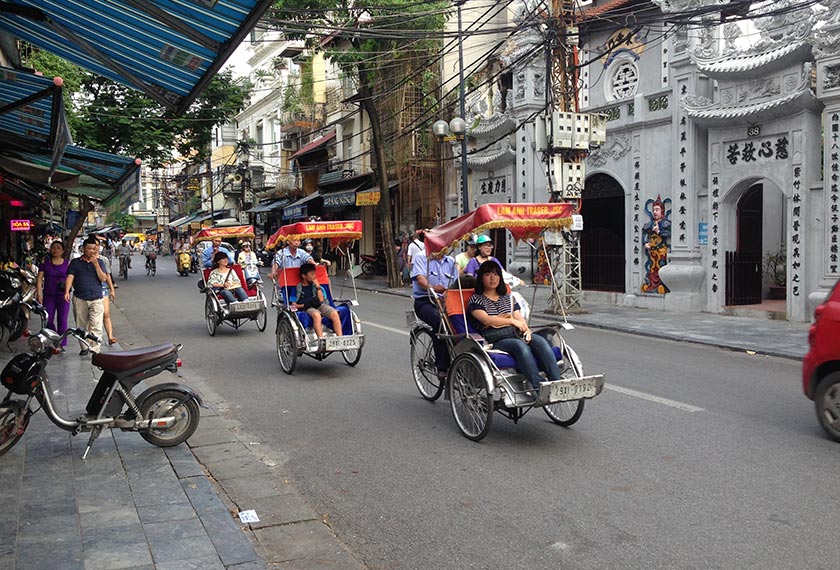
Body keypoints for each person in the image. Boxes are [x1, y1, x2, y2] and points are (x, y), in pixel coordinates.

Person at [468, 260, 561, 391]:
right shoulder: (476, 299)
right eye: (488, 274)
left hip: (516, 333)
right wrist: (511, 321)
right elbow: (486, 320)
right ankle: (537, 384)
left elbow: (519, 318)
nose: (492, 278)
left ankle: (556, 381)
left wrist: (527, 330)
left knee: (541, 342)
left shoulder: (508, 298)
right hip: (496, 338)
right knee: (520, 346)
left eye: (496, 274)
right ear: (481, 277)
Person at [411, 247, 458, 379]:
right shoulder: (421, 257)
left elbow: (456, 284)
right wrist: (433, 288)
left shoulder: (451, 262)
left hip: (447, 301)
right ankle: (442, 367)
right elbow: (420, 279)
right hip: (426, 301)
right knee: (439, 322)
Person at [64, 237, 109, 355]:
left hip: (96, 298)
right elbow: (70, 276)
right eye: (89, 249)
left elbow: (103, 278)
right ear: (83, 249)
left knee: (96, 324)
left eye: (94, 249)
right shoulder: (75, 262)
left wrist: (96, 265)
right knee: (81, 325)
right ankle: (84, 347)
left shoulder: (100, 262)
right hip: (80, 298)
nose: (92, 251)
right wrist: (67, 291)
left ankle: (95, 349)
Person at [36, 241, 71, 351]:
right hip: (48, 295)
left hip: (63, 296)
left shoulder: (67, 263)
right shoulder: (45, 263)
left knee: (62, 320)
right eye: (53, 248)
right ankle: (53, 337)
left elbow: (71, 278)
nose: (55, 250)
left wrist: (68, 290)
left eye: (58, 248)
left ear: (63, 251)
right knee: (48, 319)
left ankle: (60, 343)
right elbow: (39, 278)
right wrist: (39, 294)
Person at [294, 262, 342, 338]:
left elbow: (321, 300)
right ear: (304, 276)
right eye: (311, 274)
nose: (314, 276)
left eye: (314, 274)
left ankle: (340, 338)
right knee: (317, 315)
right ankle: (321, 339)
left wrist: (318, 286)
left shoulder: (314, 285)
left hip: (318, 304)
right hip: (307, 307)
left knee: (334, 313)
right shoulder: (296, 288)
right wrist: (304, 305)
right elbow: (293, 304)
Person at [99, 254, 118, 346]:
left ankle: (110, 337)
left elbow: (108, 275)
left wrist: (112, 289)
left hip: (103, 289)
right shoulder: (82, 260)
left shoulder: (103, 259)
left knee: (106, 314)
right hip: (88, 291)